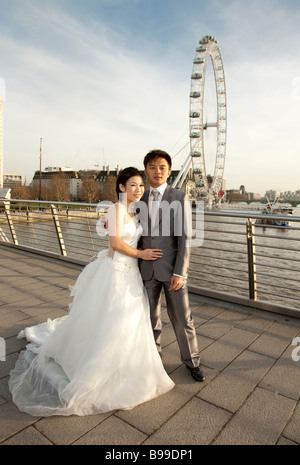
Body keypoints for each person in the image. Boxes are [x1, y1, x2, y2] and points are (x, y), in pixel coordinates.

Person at [8, 167, 174, 417]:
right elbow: (116, 243)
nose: (138, 189)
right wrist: (142, 254)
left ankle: (128, 368)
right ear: (121, 187)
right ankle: (99, 369)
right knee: (113, 321)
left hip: (132, 274)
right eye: (133, 185)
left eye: (141, 185)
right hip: (117, 273)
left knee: (129, 322)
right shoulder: (117, 209)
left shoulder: (135, 210)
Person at [137, 149, 205, 382]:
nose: (157, 171)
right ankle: (154, 359)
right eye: (153, 167)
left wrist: (180, 272)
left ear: (169, 171)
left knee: (183, 319)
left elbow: (185, 238)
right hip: (145, 270)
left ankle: (192, 362)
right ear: (146, 170)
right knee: (149, 318)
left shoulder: (179, 197)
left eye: (162, 167)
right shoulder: (139, 198)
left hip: (172, 270)